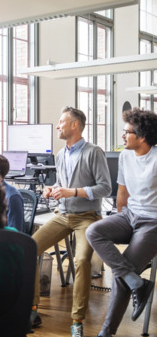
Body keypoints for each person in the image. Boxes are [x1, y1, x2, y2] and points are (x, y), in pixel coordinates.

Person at [31, 106, 111, 337]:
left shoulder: (93, 151)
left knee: (82, 260)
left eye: (61, 122)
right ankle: (32, 308)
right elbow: (62, 186)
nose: (58, 126)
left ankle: (77, 320)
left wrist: (72, 192)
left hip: (86, 216)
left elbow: (105, 188)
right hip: (62, 215)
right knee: (29, 248)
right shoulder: (60, 153)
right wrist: (52, 190)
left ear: (74, 125)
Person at [86, 108, 157, 337]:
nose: (122, 136)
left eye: (127, 132)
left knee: (119, 273)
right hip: (129, 216)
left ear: (143, 136)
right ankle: (136, 281)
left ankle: (106, 332)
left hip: (153, 222)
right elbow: (123, 193)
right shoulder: (125, 156)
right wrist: (120, 218)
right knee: (94, 231)